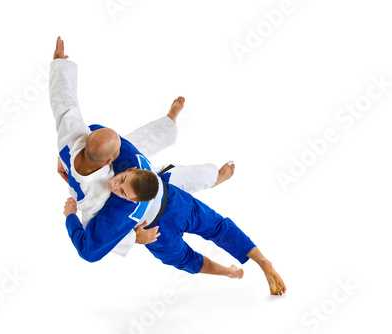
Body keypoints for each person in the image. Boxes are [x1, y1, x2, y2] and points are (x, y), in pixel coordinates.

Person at [55, 36, 287, 295]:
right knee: (186, 250)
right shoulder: (128, 158)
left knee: (209, 214)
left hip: (164, 212)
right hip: (163, 209)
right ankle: (228, 271)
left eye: (121, 188)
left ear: (132, 191)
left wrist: (72, 217)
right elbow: (95, 136)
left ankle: (262, 261)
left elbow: (88, 249)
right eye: (120, 183)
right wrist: (74, 155)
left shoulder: (121, 207)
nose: (113, 184)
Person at [50, 36, 234, 256]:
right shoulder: (98, 198)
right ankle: (212, 178)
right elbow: (94, 241)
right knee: (178, 179)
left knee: (135, 143)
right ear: (109, 161)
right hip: (139, 206)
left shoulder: (73, 134)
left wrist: (59, 65)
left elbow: (63, 101)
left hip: (131, 176)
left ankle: (169, 125)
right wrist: (132, 238)